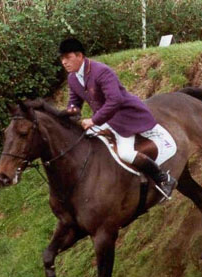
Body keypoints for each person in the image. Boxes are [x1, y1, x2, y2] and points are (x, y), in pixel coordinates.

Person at [58, 38, 177, 198]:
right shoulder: (73, 78)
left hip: (125, 117)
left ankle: (163, 178)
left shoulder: (101, 71)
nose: (64, 62)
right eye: (62, 58)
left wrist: (93, 120)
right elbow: (74, 101)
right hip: (105, 118)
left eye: (67, 57)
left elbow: (115, 100)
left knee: (125, 153)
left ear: (79, 55)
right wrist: (71, 111)